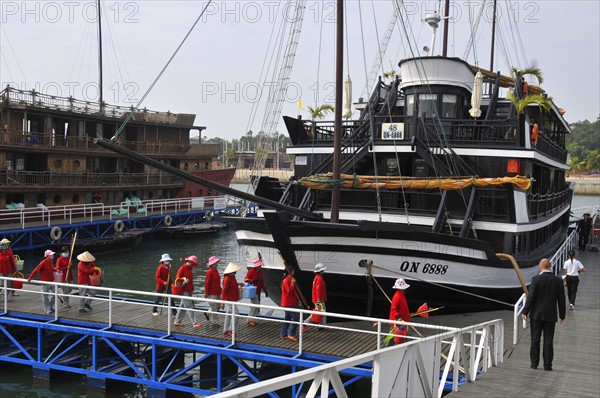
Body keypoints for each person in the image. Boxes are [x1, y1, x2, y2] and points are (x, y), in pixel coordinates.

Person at [521, 258, 566, 371]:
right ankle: (547, 365)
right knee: (548, 340)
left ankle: (534, 363)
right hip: (550, 315)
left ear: (541, 267)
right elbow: (561, 299)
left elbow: (531, 297)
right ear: (550, 266)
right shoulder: (558, 281)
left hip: (536, 314)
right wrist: (562, 315)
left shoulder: (536, 279)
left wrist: (525, 311)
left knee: (535, 339)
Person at [173, 255, 201, 329]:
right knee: (189, 306)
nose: (193, 265)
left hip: (189, 290)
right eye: (192, 263)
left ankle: (177, 321)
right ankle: (194, 323)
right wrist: (183, 279)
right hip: (184, 290)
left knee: (182, 306)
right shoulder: (182, 268)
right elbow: (177, 278)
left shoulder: (189, 269)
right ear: (189, 262)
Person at [27, 249, 57, 314]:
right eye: (51, 255)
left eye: (52, 255)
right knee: (45, 296)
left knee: (55, 294)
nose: (52, 256)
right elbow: (36, 269)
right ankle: (47, 309)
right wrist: (30, 277)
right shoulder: (43, 262)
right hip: (45, 282)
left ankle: (50, 306)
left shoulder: (51, 261)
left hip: (51, 280)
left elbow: (51, 268)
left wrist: (56, 270)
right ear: (47, 256)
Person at [302, 263, 327, 331]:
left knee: (320, 312)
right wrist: (319, 299)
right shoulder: (319, 279)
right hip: (319, 299)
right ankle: (305, 323)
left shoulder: (316, 278)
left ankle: (321, 326)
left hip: (317, 299)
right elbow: (318, 289)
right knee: (321, 312)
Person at [387, 278, 411, 346]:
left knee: (393, 338)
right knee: (393, 337)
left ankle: (386, 349)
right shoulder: (397, 297)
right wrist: (399, 317)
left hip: (402, 321)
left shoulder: (401, 295)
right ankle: (386, 349)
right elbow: (393, 310)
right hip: (397, 321)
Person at [221, 262, 243, 336]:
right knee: (236, 314)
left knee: (228, 315)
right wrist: (222, 302)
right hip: (229, 300)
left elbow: (232, 285)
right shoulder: (227, 279)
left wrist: (238, 284)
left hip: (233, 299)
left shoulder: (232, 277)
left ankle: (225, 329)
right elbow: (224, 290)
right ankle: (231, 330)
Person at [244, 258, 267, 326]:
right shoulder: (251, 271)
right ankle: (250, 319)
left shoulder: (259, 272)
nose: (261, 266)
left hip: (258, 291)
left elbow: (262, 282)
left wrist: (265, 291)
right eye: (260, 265)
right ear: (257, 266)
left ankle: (252, 319)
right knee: (255, 305)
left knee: (255, 305)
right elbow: (245, 280)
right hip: (253, 291)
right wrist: (253, 281)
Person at [280, 269, 300, 342]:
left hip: (291, 302)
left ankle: (283, 334)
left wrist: (298, 300)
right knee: (295, 318)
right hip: (287, 303)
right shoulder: (286, 280)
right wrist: (292, 284)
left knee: (287, 318)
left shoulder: (290, 279)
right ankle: (291, 334)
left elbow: (294, 292)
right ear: (291, 272)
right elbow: (289, 292)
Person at [204, 256, 222, 325]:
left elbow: (217, 282)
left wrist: (220, 290)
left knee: (219, 306)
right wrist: (207, 292)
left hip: (217, 292)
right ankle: (215, 322)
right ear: (213, 264)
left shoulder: (216, 271)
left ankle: (208, 313)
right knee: (214, 307)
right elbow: (207, 283)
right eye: (216, 263)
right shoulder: (210, 272)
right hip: (212, 293)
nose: (217, 264)